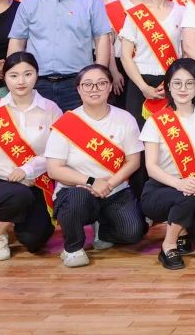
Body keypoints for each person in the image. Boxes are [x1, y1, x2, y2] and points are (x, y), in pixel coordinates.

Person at [44, 63, 146, 267]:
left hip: (115, 190)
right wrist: (92, 182)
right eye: (88, 84)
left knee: (133, 232)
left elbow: (133, 161)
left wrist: (109, 184)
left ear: (110, 87)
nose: (94, 89)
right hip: (76, 190)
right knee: (78, 198)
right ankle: (73, 248)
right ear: (79, 89)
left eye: (101, 83)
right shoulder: (67, 122)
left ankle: (103, 228)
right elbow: (54, 169)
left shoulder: (125, 118)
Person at [0, 51, 61, 260]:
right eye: (13, 75)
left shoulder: (51, 109)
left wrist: (27, 170)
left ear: (37, 75)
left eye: (28, 74)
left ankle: (16, 216)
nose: (21, 81)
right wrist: (14, 175)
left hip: (36, 181)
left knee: (34, 240)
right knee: (18, 195)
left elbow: (56, 152)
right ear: (4, 77)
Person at [7, 0, 114, 111]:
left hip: (79, 83)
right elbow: (17, 41)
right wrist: (14, 76)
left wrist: (97, 77)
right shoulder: (29, 3)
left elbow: (102, 40)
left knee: (76, 127)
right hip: (36, 82)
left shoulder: (91, 1)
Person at [139, 58, 195, 269]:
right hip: (160, 188)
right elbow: (151, 167)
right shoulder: (156, 121)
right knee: (188, 195)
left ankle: (180, 231)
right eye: (177, 83)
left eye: (189, 83)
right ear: (168, 86)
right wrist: (180, 184)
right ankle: (169, 245)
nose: (183, 89)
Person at [119, 0, 185, 122]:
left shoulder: (182, 12)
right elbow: (125, 56)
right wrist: (143, 87)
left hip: (173, 82)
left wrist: (174, 81)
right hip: (140, 81)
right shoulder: (136, 14)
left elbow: (186, 52)